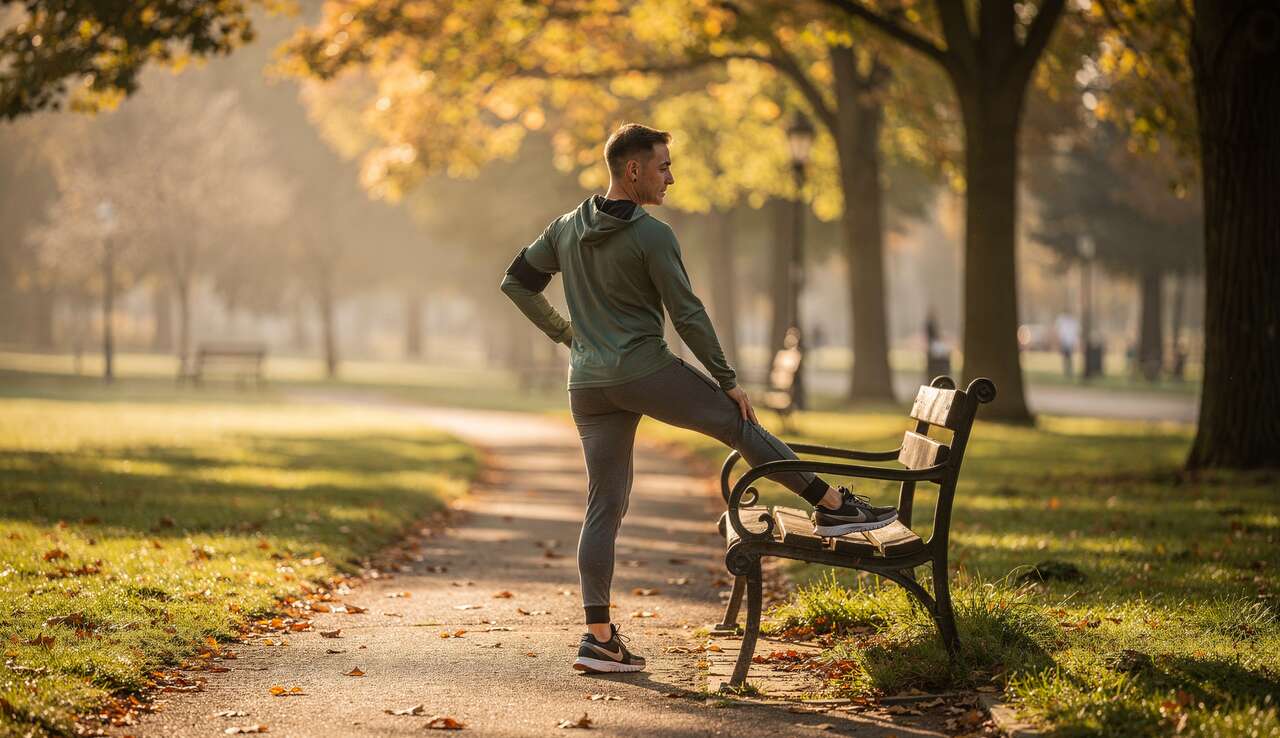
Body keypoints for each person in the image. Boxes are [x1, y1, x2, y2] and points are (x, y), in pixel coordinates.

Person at [499, 123, 896, 675]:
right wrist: (727, 379)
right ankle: (833, 507)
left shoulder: (565, 228)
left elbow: (516, 283)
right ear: (632, 170)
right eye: (663, 166)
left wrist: (569, 337)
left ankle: (598, 639)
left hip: (587, 384)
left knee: (603, 504)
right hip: (643, 370)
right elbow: (687, 314)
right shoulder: (651, 234)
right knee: (740, 425)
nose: (671, 176)